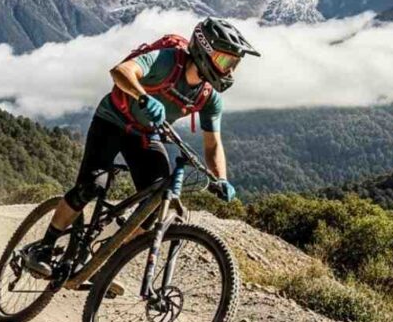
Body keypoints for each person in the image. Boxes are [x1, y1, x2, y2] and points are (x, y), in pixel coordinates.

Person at [23, 18, 260, 277]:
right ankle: (43, 248)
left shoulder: (209, 98)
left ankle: (98, 261)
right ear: (205, 52)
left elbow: (213, 144)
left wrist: (220, 178)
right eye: (226, 62)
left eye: (234, 65)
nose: (230, 72)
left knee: (153, 205)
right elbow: (121, 71)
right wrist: (143, 96)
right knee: (90, 186)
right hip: (112, 121)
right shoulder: (167, 61)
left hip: (146, 135)